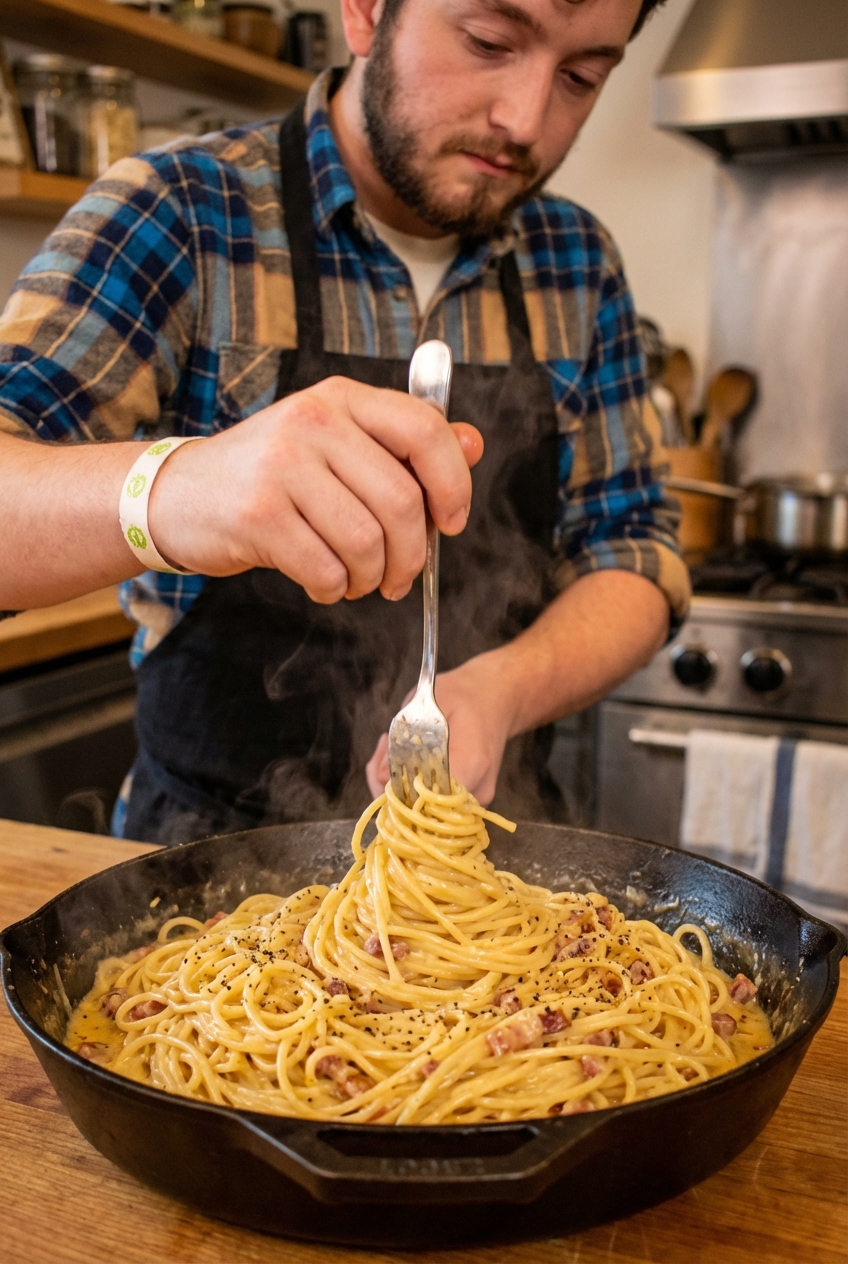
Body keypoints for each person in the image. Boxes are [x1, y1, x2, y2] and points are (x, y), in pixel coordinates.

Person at [0, 0, 689, 842]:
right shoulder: (179, 212)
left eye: (581, 77)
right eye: (488, 42)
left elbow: (635, 555)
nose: (525, 119)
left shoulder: (577, 264)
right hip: (199, 863)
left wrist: (499, 690)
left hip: (485, 856)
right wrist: (176, 490)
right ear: (365, 11)